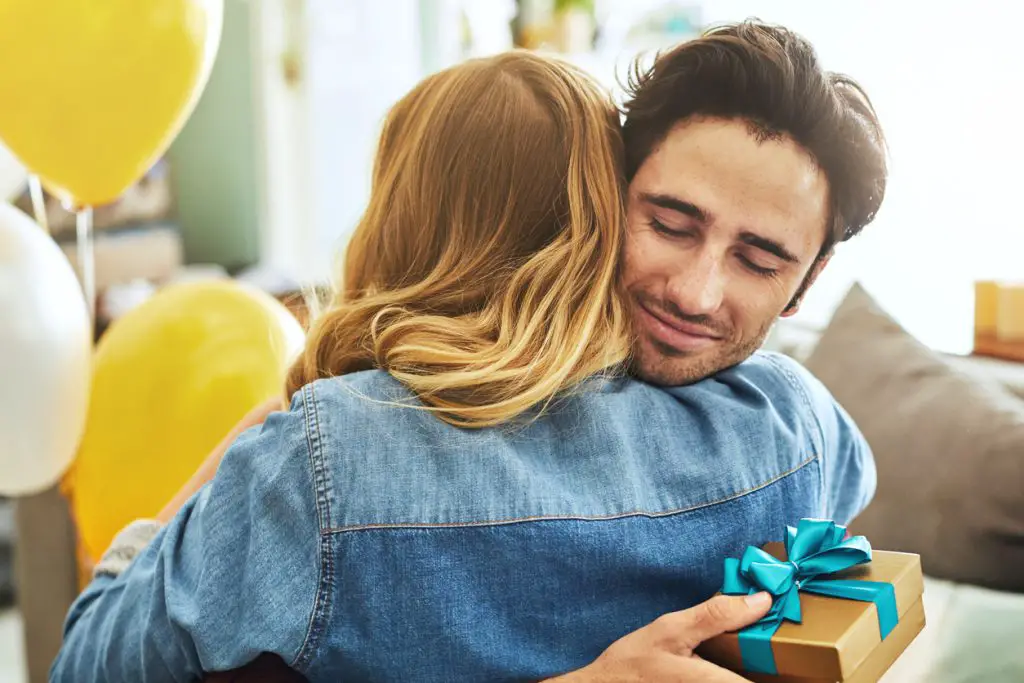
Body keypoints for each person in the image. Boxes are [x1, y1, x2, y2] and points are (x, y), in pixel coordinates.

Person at [52, 19, 887, 683]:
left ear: (806, 282)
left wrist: (248, 444)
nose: (696, 293)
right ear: (602, 199)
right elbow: (852, 484)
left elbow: (88, 662)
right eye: (670, 224)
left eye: (758, 258)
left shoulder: (319, 461)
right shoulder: (795, 426)